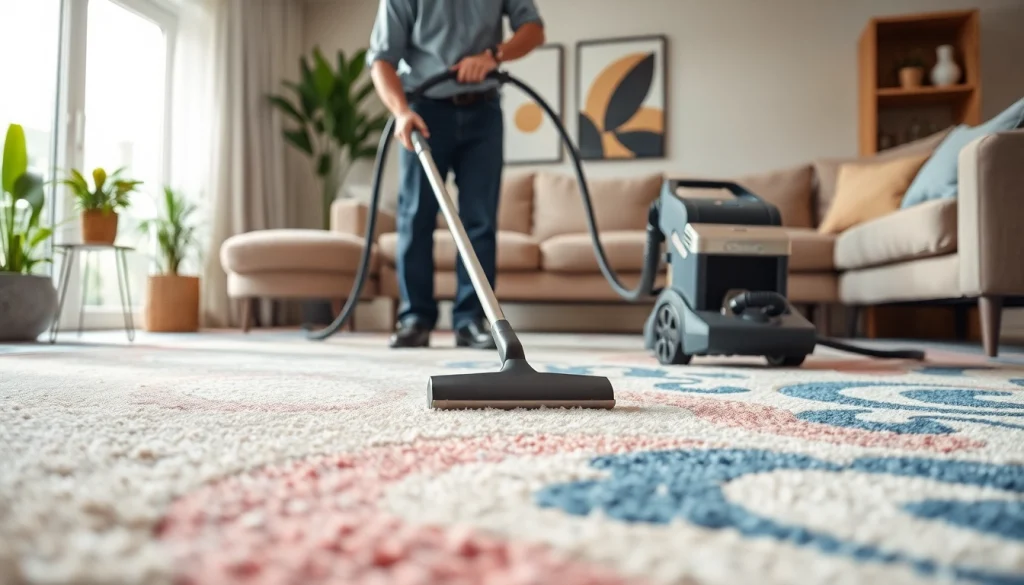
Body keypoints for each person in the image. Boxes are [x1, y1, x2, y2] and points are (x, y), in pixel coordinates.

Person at [366, 0, 546, 350]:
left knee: (479, 220)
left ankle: (472, 321)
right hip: (424, 110)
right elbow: (381, 60)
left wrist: (494, 54)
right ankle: (415, 318)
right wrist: (401, 111)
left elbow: (534, 29)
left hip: (484, 111)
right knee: (416, 215)